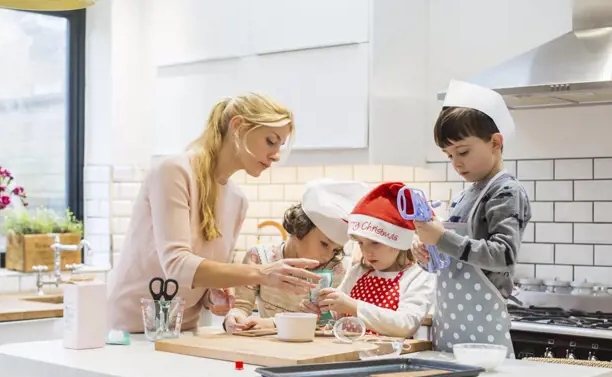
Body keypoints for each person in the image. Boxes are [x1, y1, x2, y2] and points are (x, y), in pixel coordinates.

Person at [107, 93, 320, 334]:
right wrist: (262, 273)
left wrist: (213, 292)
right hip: (129, 332)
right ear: (238, 127)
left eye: (280, 146)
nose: (276, 155)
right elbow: (177, 265)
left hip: (182, 331)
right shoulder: (174, 172)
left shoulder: (238, 201)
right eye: (271, 141)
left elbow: (196, 274)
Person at [413, 80, 532, 357]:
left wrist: (442, 238)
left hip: (484, 335)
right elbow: (452, 259)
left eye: (463, 152)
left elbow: (503, 255)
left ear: (495, 142)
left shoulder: (506, 191)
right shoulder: (465, 195)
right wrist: (427, 252)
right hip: (448, 328)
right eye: (449, 155)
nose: (456, 162)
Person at [223, 179, 370, 332]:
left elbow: (332, 322)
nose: (327, 256)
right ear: (300, 227)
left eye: (335, 250)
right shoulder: (258, 258)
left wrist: (318, 320)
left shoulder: (334, 271)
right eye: (324, 244)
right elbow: (241, 306)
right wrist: (234, 317)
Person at [313, 182, 436, 338]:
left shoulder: (417, 275)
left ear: (397, 242)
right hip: (349, 353)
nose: (367, 251)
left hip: (387, 357)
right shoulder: (359, 271)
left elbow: (406, 325)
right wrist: (322, 308)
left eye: (375, 243)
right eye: (361, 243)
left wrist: (354, 306)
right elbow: (337, 314)